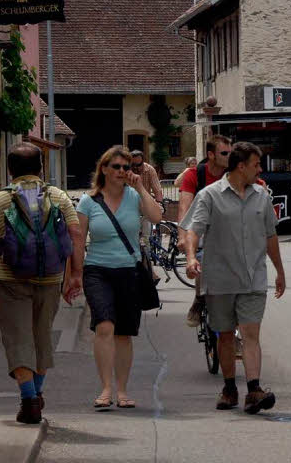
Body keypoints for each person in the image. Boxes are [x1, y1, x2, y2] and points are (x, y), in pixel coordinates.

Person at [0, 143, 84, 424]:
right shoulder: (58, 197)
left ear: (10, 171)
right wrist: (75, 275)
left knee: (18, 339)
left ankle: (29, 399)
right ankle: (37, 393)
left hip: (10, 280)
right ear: (41, 167)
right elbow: (75, 234)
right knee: (41, 337)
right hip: (49, 279)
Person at [181, 142, 286, 413]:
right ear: (241, 166)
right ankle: (229, 388)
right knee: (225, 335)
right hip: (220, 278)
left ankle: (254, 390)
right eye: (256, 165)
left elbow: (270, 236)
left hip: (253, 278)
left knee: (251, 334)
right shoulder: (209, 195)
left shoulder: (262, 195)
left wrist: (280, 271)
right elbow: (194, 230)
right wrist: (192, 257)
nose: (260, 170)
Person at [76, 146, 164, 410]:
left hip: (129, 270)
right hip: (97, 271)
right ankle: (105, 389)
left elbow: (157, 216)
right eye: (116, 167)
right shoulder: (88, 201)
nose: (122, 172)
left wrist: (140, 189)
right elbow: (78, 241)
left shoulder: (134, 197)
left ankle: (123, 390)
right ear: (104, 169)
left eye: (126, 168)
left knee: (123, 333)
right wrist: (74, 275)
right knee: (104, 326)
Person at [182, 135, 232, 327]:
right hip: (201, 225)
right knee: (202, 258)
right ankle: (199, 300)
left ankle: (234, 331)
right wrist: (181, 236)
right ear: (211, 155)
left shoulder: (235, 173)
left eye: (231, 153)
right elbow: (185, 208)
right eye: (225, 153)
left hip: (228, 227)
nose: (230, 157)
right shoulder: (195, 174)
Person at [129, 150, 164, 249]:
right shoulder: (127, 171)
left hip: (145, 204)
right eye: (133, 165)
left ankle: (146, 257)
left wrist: (159, 204)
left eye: (138, 164)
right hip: (130, 205)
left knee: (146, 236)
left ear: (143, 161)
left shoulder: (149, 169)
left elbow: (157, 190)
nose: (136, 167)